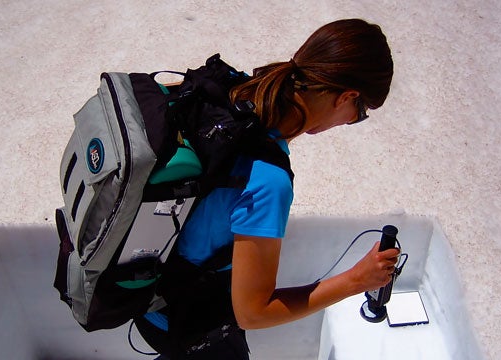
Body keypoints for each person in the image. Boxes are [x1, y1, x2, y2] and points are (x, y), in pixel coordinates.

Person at [134, 18, 399, 359]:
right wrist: (356, 281)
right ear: (346, 96)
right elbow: (253, 312)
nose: (350, 121)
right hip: (184, 319)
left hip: (149, 289)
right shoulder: (268, 181)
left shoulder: (237, 93)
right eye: (359, 112)